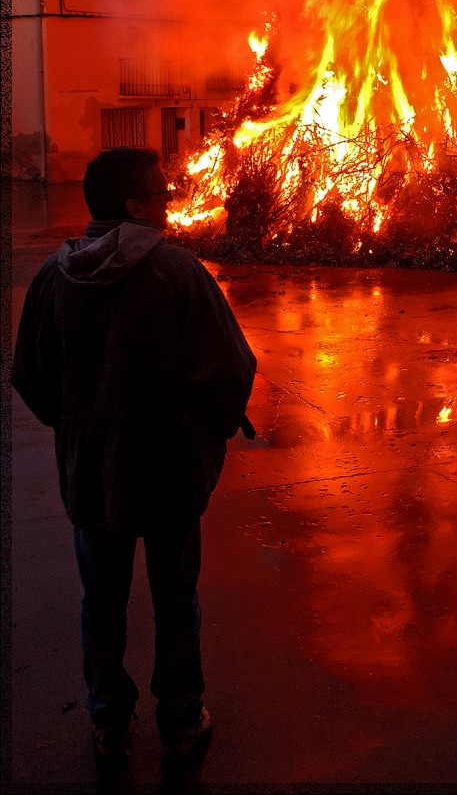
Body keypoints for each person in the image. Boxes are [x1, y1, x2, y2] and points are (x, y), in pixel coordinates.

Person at [12, 146, 257, 769]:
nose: (169, 203)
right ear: (134, 206)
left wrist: (79, 429)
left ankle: (109, 722)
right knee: (176, 599)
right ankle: (181, 722)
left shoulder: (53, 278)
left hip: (92, 476)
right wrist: (208, 436)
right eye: (160, 194)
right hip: (170, 472)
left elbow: (30, 376)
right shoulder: (177, 273)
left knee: (101, 601)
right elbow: (232, 369)